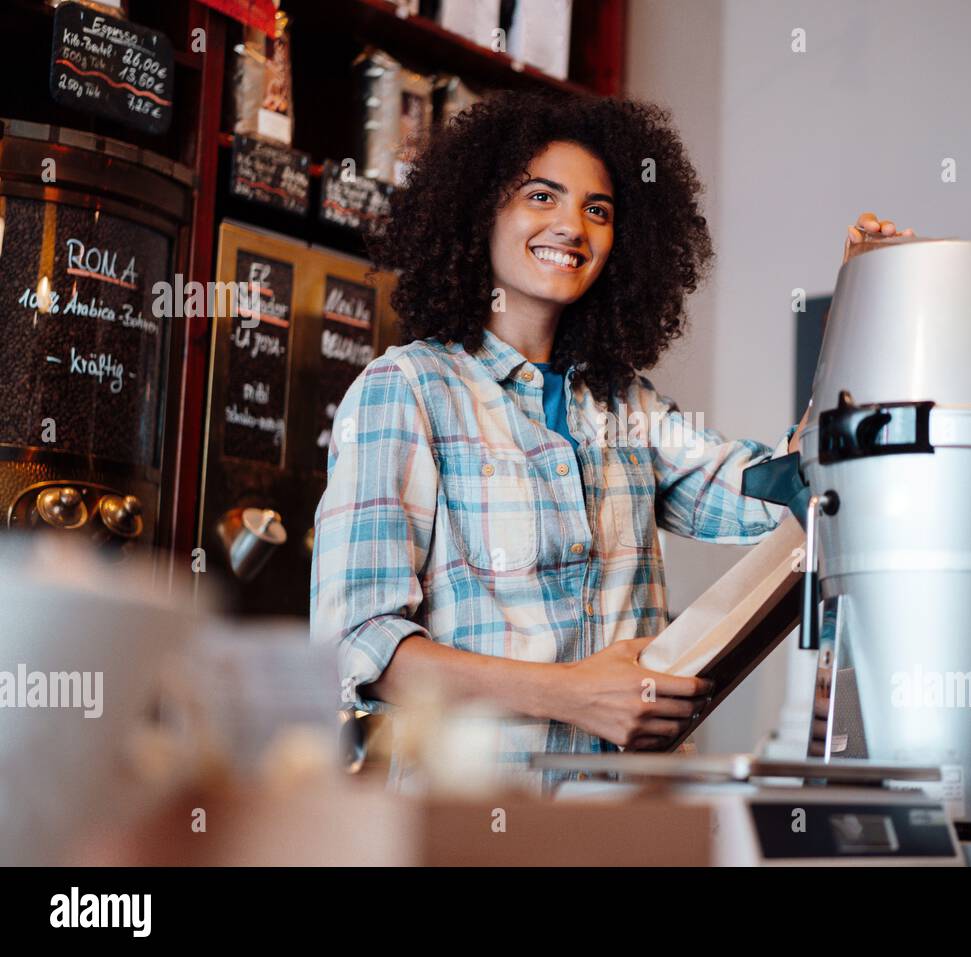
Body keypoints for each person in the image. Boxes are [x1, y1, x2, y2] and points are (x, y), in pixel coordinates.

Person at [310, 91, 911, 789]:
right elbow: (357, 647)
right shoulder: (408, 389)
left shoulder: (626, 405)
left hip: (630, 827)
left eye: (598, 209)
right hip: (478, 828)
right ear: (481, 212)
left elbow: (785, 486)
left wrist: (861, 309)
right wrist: (572, 693)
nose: (572, 226)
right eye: (542, 197)